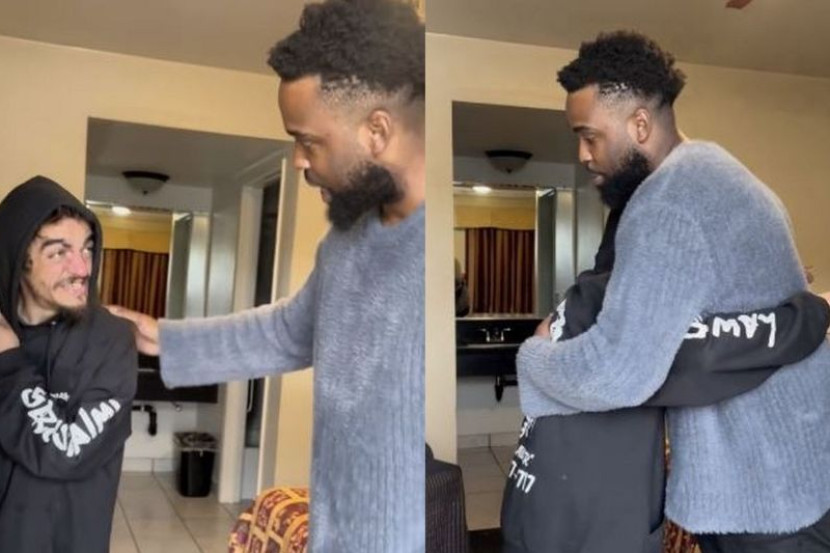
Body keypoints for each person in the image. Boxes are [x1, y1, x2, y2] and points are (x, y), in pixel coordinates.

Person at [109, 0, 425, 551]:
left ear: (377, 130)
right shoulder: (344, 244)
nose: (299, 161)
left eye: (309, 141)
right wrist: (162, 338)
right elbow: (288, 331)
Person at [516, 30, 830, 552]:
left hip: (768, 492)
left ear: (639, 124)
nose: (582, 154)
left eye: (590, 136)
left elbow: (621, 371)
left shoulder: (667, 203)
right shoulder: (713, 170)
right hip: (786, 467)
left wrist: (534, 358)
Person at [502, 203, 830, 552]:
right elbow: (706, 356)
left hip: (543, 507)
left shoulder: (584, 297)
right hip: (584, 526)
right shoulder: (621, 307)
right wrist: (815, 308)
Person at [0, 175, 138, 553]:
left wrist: (9, 364)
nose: (82, 268)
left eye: (87, 248)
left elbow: (66, 452)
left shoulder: (110, 341)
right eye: (59, 252)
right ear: (19, 258)